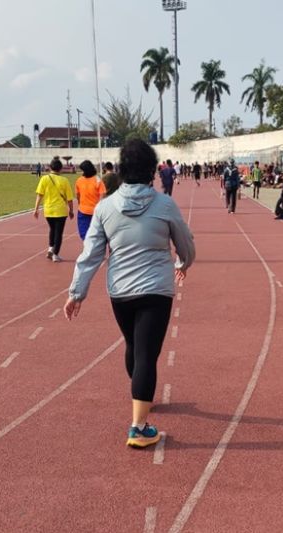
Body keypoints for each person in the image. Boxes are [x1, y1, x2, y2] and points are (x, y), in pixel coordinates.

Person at [64, 139, 195, 449]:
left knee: (135, 347)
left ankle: (141, 394)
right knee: (146, 354)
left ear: (121, 170)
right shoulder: (164, 205)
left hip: (120, 291)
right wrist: (183, 262)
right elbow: (185, 242)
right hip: (156, 290)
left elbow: (91, 253)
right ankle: (138, 426)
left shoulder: (105, 207)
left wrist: (76, 293)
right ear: (152, 171)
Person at [34, 157, 74, 262]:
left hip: (48, 210)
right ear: (61, 168)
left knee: (52, 229)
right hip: (60, 210)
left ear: (50, 167)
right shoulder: (64, 180)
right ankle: (55, 254)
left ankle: (51, 248)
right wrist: (71, 210)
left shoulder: (44, 179)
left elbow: (39, 195)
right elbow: (69, 198)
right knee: (58, 233)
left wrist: (36, 209)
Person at [74, 160, 106, 240]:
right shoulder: (97, 180)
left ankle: (88, 248)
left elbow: (78, 195)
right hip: (94, 211)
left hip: (84, 211)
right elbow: (102, 196)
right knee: (96, 233)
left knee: (84, 234)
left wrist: (80, 203)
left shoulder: (79, 180)